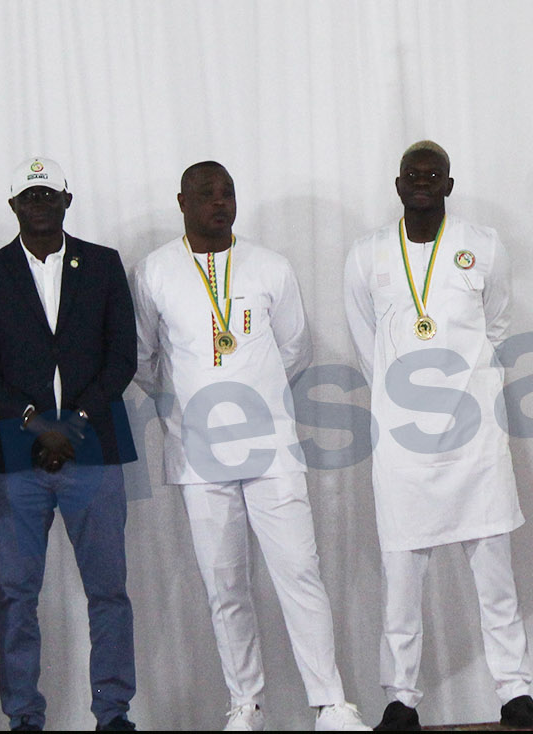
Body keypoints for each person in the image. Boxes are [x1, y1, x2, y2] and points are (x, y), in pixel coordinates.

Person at [133, 161, 366, 732]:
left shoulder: (270, 266)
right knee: (225, 585)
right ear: (181, 201)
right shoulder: (154, 272)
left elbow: (296, 348)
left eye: (228, 192)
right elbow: (144, 360)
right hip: (197, 454)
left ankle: (329, 703)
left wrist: (249, 399)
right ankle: (246, 705)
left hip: (271, 450)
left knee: (299, 573)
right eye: (207, 194)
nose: (220, 202)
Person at [343, 141, 533, 732]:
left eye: (434, 176)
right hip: (403, 446)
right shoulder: (366, 256)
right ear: (399, 184)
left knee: (496, 576)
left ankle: (514, 694)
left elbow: (499, 325)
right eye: (414, 175)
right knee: (401, 579)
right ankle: (400, 699)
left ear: (449, 185)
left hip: (475, 438)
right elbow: (366, 344)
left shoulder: (482, 246)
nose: (424, 184)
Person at [0, 157, 139, 732]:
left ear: (68, 199)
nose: (39, 205)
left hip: (95, 450)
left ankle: (113, 713)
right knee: (16, 597)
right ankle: (24, 717)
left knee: (108, 592)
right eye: (28, 197)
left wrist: (78, 419)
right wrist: (38, 423)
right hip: (20, 457)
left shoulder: (105, 265)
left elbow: (123, 358)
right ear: (12, 205)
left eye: (48, 195)